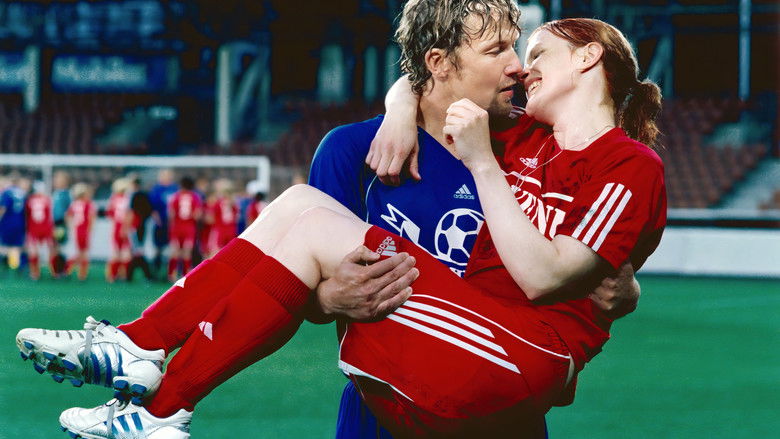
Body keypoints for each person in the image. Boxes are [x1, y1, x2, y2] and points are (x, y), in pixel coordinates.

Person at [16, 7, 664, 439]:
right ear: (439, 63)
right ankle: (146, 359)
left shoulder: (521, 140)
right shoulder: (358, 150)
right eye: (500, 49)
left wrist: (617, 273)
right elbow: (299, 282)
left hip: (497, 377)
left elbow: (586, 245)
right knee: (302, 211)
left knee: (305, 215)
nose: (520, 65)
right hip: (388, 394)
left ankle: (153, 379)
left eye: (525, 50)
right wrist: (401, 106)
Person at [167, 176, 203, 281]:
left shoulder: (176, 196)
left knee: (175, 251)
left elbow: (171, 214)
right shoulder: (195, 197)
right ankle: (185, 276)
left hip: (176, 227)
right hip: (189, 227)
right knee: (187, 252)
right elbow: (197, 215)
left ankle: (172, 275)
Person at [149, 169, 178, 276]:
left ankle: (171, 273)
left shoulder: (175, 188)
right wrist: (157, 220)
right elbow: (152, 207)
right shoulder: (156, 189)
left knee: (173, 249)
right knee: (158, 248)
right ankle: (156, 272)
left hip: (173, 224)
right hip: (160, 223)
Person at [65, 183, 97, 281]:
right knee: (84, 253)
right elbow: (92, 218)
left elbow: (68, 216)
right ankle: (81, 274)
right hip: (84, 231)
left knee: (79, 252)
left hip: (76, 231)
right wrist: (90, 230)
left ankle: (69, 270)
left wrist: (71, 227)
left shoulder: (74, 204)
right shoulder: (89, 204)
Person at [24, 181, 56, 280]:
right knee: (51, 250)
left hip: (33, 228)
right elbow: (50, 216)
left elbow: (27, 215)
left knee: (33, 251)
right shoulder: (47, 199)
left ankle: (34, 273)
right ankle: (55, 272)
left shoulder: (29, 200)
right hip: (46, 228)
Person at [127, 177, 155, 282]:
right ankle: (145, 275)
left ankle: (135, 276)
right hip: (142, 226)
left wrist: (126, 227)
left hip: (136, 226)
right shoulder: (145, 195)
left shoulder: (134, 196)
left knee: (137, 252)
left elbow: (131, 213)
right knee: (138, 251)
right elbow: (150, 211)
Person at [0, 176, 30, 272]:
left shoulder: (6, 192)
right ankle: (19, 267)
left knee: (5, 246)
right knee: (18, 246)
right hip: (20, 223)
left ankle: (8, 267)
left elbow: (3, 208)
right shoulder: (22, 193)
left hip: (7, 223)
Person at [105, 178, 132, 283]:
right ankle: (122, 275)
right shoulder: (127, 199)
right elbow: (129, 214)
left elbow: (110, 213)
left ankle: (113, 275)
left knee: (116, 252)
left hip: (116, 228)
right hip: (124, 227)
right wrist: (126, 227)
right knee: (125, 253)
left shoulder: (113, 199)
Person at [51, 170, 72, 276]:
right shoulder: (56, 193)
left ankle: (61, 270)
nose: (55, 181)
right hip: (53, 223)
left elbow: (68, 211)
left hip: (60, 224)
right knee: (55, 247)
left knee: (58, 247)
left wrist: (68, 226)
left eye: (58, 179)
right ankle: (57, 270)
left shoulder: (66, 194)